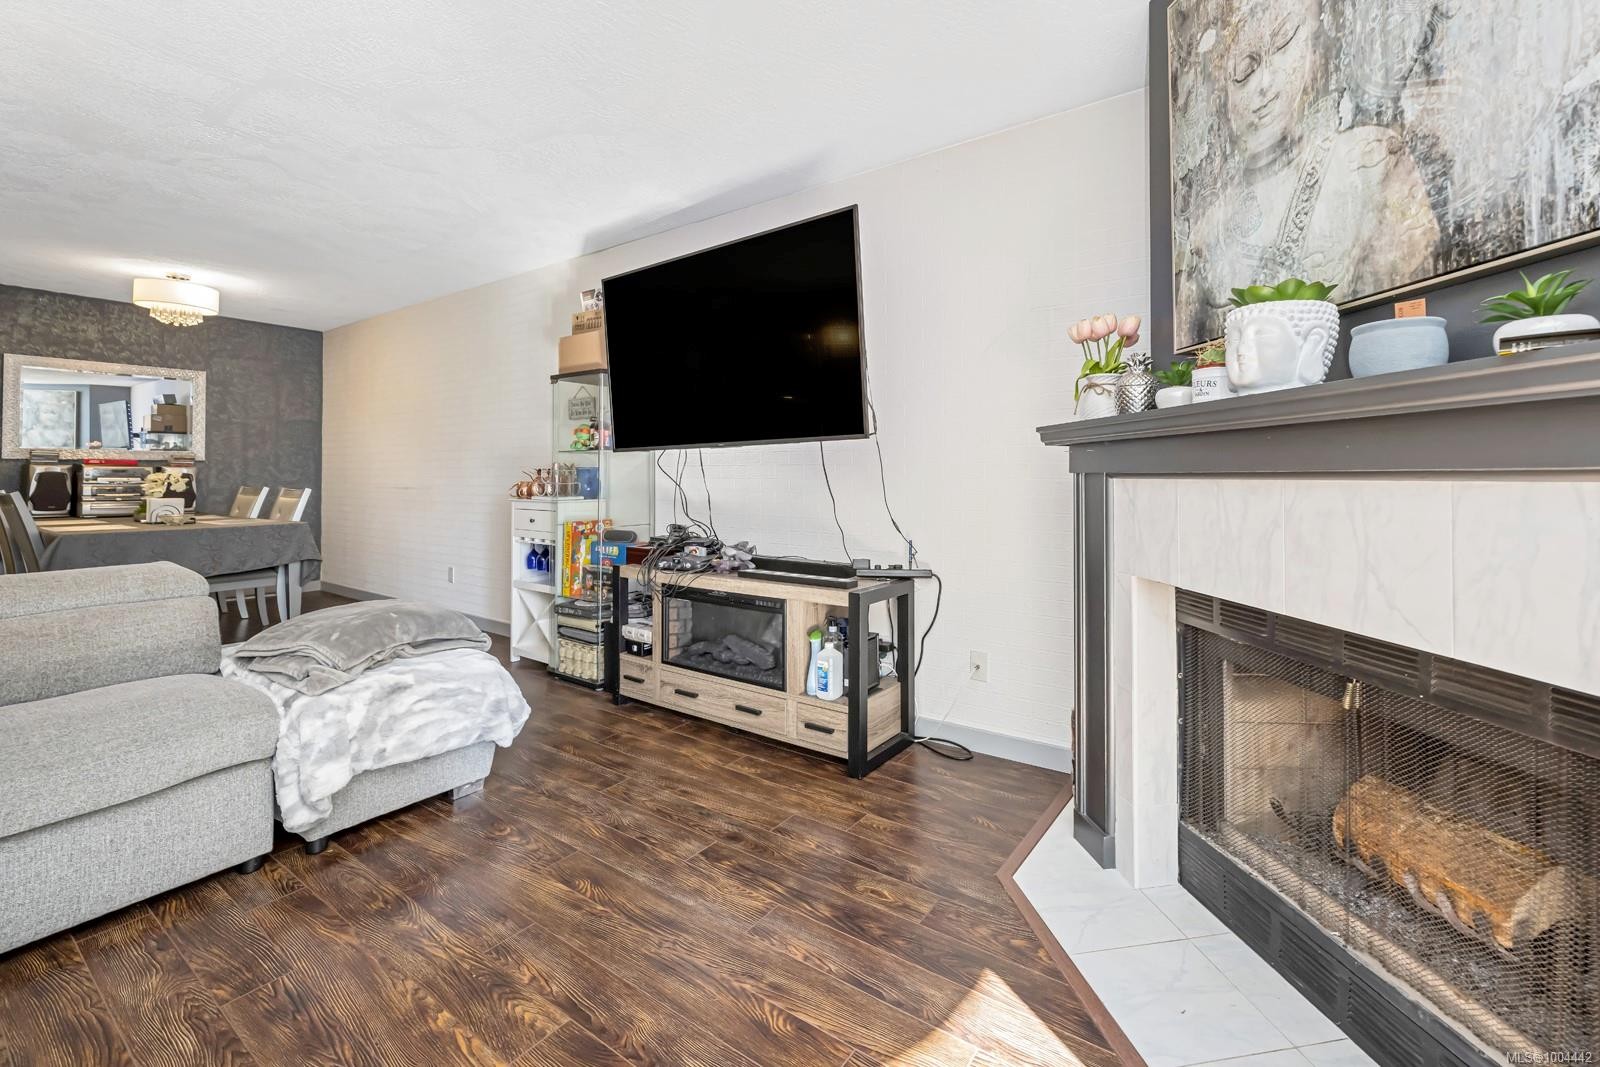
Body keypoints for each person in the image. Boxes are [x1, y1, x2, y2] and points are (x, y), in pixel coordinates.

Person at [1174, 0, 1440, 348]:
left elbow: (1410, 324)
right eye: (1243, 71)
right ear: (1223, 96)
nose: (1264, 85)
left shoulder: (1370, 161)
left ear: (1316, 45)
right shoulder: (1207, 234)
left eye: (1284, 43)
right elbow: (1190, 360)